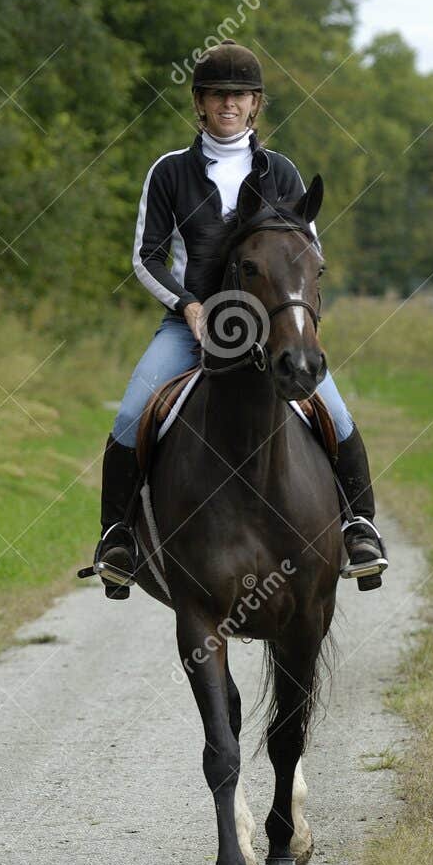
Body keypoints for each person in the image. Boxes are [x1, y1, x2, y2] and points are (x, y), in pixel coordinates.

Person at [91, 40, 388, 596]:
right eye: (217, 95)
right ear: (199, 104)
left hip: (272, 330)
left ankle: (360, 527)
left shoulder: (283, 172)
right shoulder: (170, 173)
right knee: (132, 414)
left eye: (241, 96)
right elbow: (145, 257)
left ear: (256, 106)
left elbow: (306, 255)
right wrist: (189, 305)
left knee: (336, 412)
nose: (229, 104)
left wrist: (298, 323)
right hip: (191, 326)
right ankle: (117, 540)